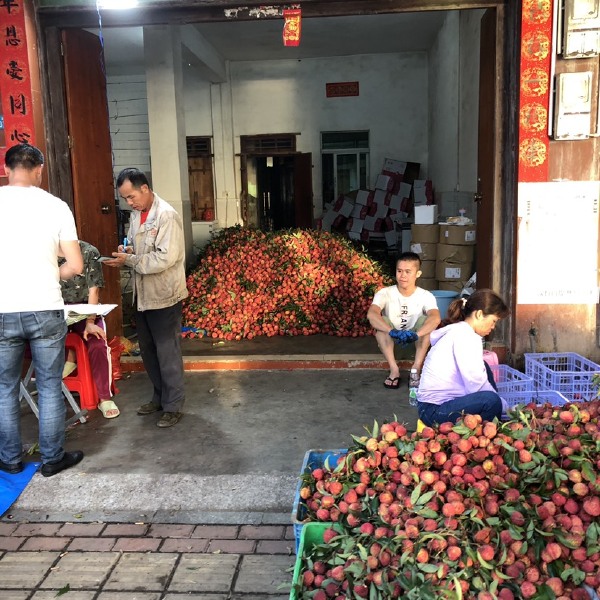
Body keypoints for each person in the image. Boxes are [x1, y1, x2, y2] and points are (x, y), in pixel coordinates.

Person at [0, 143, 85, 477]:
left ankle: (9, 458)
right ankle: (52, 459)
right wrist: (50, 272)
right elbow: (75, 265)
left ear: (7, 169)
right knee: (49, 385)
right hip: (45, 307)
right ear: (38, 169)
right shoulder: (56, 206)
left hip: (3, 310)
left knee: (5, 387)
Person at [104, 168, 187, 428]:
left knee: (167, 352)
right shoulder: (137, 214)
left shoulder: (166, 216)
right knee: (149, 351)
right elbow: (138, 246)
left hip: (164, 295)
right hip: (143, 295)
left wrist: (130, 259)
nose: (129, 202)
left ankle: (173, 405)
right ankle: (159, 397)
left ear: (145, 189)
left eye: (131, 196)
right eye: (125, 199)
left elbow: (164, 258)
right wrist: (127, 249)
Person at [416, 289, 509, 426]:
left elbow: (478, 379)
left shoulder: (461, 331)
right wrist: (506, 408)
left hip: (439, 406)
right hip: (434, 411)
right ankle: (487, 434)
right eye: (493, 321)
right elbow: (476, 385)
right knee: (491, 402)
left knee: (485, 367)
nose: (493, 327)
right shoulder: (465, 336)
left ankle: (494, 418)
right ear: (479, 314)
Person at [60, 240, 120, 419]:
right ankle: (67, 363)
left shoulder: (88, 251)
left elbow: (94, 291)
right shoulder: (43, 251)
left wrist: (91, 320)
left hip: (87, 310)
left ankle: (104, 397)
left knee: (97, 343)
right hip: (56, 312)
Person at [367, 252, 441, 389]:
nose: (403, 276)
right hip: (391, 345)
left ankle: (416, 369)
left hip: (416, 345)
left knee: (426, 321)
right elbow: (371, 315)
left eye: (408, 271)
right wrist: (392, 331)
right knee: (380, 322)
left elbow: (436, 318)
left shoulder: (426, 295)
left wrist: (416, 334)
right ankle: (394, 370)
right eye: (399, 271)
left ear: (418, 274)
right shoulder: (384, 293)